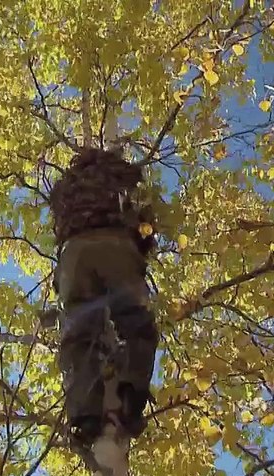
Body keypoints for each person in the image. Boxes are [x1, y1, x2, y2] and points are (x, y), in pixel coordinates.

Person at [48, 148, 159, 448]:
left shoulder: (66, 185)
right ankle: (131, 397)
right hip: (117, 245)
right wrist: (142, 249)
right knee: (137, 326)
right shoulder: (125, 176)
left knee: (78, 336)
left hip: (74, 254)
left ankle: (85, 417)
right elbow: (146, 221)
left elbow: (57, 223)